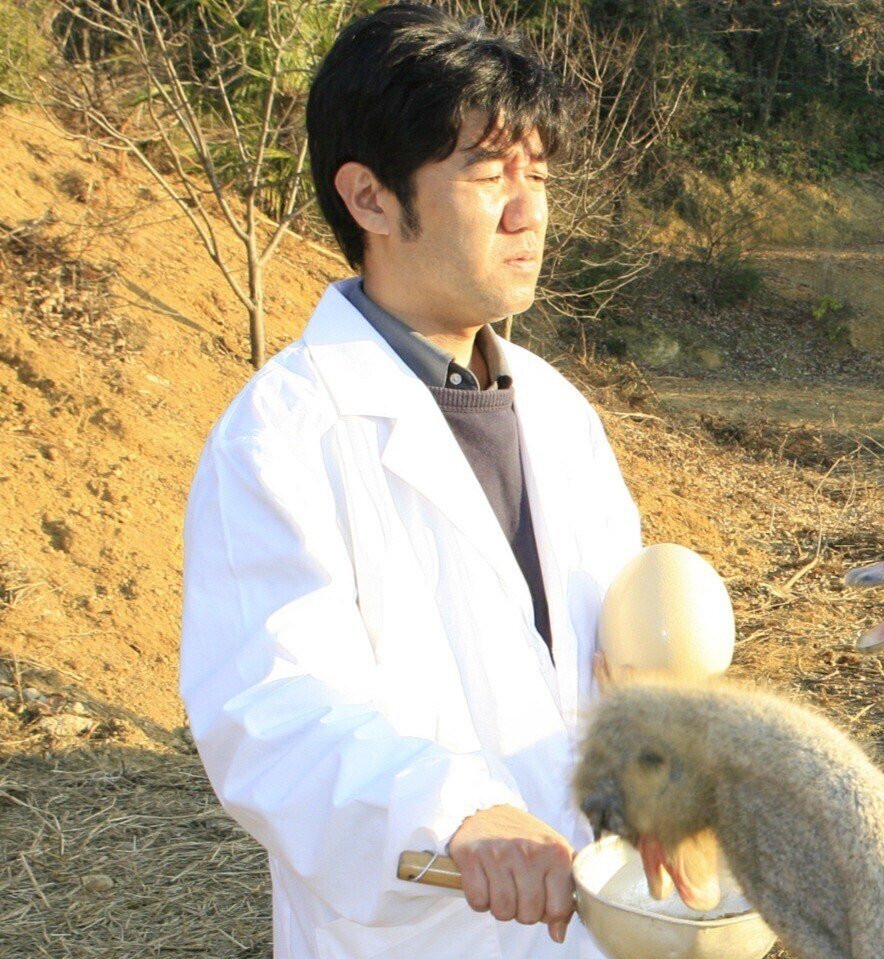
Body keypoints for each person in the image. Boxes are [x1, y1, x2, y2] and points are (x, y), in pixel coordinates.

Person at [178, 6, 642, 957]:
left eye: (538, 173)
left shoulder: (561, 415)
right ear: (371, 199)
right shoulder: (282, 436)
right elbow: (272, 714)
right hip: (427, 930)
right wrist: (457, 813)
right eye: (487, 173)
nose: (529, 211)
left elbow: (618, 662)